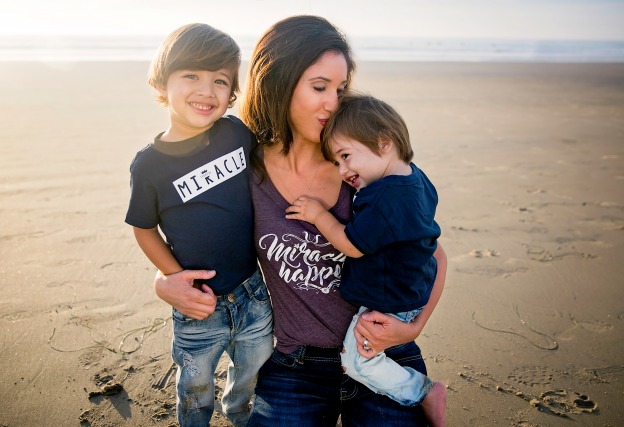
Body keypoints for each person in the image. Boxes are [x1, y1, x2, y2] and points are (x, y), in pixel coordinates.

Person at [154, 15, 448, 426]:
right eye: (319, 87)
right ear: (281, 80)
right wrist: (164, 279)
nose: (333, 102)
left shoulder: (360, 170)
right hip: (296, 365)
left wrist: (413, 328)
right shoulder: (246, 168)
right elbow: (193, 227)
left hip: (381, 355)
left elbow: (434, 254)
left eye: (340, 89)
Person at [125, 23, 273, 427]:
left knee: (255, 365)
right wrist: (173, 279)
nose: (207, 91)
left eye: (220, 81)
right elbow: (143, 227)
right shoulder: (150, 165)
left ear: (231, 94)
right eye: (191, 75)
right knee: (195, 381)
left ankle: (239, 409)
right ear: (163, 80)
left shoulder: (237, 134)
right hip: (196, 304)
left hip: (252, 290)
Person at [285, 93, 446, 426]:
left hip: (388, 306)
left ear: (384, 142)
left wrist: (318, 214)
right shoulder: (415, 179)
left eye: (345, 156)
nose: (343, 170)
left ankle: (423, 391)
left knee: (359, 363)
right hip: (409, 294)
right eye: (336, 163)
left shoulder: (385, 196)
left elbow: (351, 244)